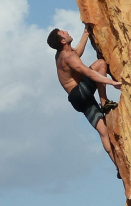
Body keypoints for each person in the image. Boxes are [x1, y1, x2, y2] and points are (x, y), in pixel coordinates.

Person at [47, 23, 124, 174]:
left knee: (103, 131)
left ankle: (118, 168)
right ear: (63, 41)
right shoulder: (67, 57)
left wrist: (86, 33)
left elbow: (77, 54)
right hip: (80, 93)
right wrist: (112, 82)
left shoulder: (64, 54)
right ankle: (104, 101)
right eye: (63, 32)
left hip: (76, 99)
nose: (66, 31)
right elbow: (87, 72)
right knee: (101, 63)